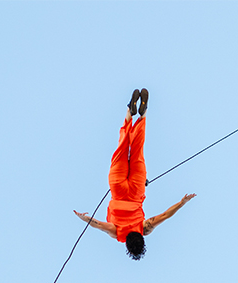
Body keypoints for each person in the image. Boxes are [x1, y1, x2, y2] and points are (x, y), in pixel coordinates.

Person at [73, 88, 196, 261]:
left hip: (137, 188)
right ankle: (129, 113)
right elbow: (98, 225)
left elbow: (165, 215)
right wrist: (84, 218)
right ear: (127, 245)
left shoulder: (144, 229)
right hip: (117, 188)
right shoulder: (117, 234)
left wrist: (182, 202)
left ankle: (143, 115)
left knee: (137, 151)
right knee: (121, 149)